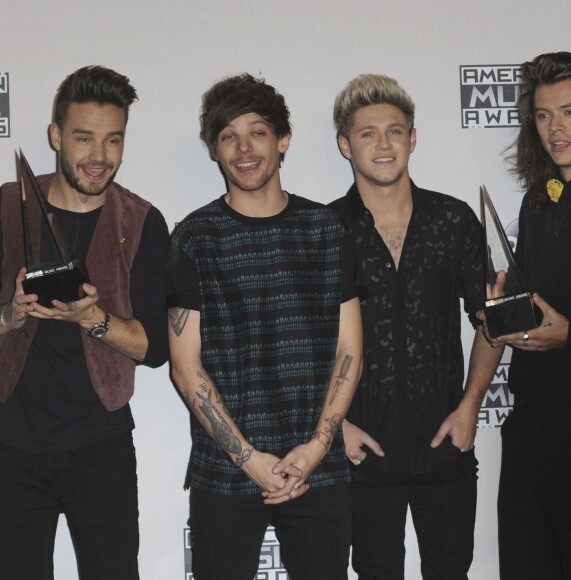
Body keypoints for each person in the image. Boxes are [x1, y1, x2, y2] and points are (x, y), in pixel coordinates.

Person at [166, 73, 362, 580]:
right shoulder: (194, 239)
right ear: (214, 150)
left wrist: (317, 447)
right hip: (226, 473)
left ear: (283, 140)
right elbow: (187, 371)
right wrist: (250, 459)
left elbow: (349, 350)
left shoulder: (326, 231)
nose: (243, 147)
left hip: (318, 467)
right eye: (228, 135)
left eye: (257, 131)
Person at [329, 74, 501, 580]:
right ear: (345, 145)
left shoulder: (454, 221)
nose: (384, 144)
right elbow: (307, 342)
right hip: (361, 453)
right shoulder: (325, 228)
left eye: (395, 131)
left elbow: (490, 321)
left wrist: (471, 405)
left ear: (413, 138)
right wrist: (333, 426)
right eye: (367, 133)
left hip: (445, 447)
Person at [0, 65, 169, 580]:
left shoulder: (141, 221)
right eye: (83, 137)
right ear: (55, 136)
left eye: (112, 139)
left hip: (102, 446)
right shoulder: (7, 207)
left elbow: (155, 347)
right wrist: (9, 315)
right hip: (11, 446)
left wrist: (91, 318)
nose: (99, 156)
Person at [491, 51, 571, 580]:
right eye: (544, 115)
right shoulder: (537, 200)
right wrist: (504, 304)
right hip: (532, 426)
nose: (556, 128)